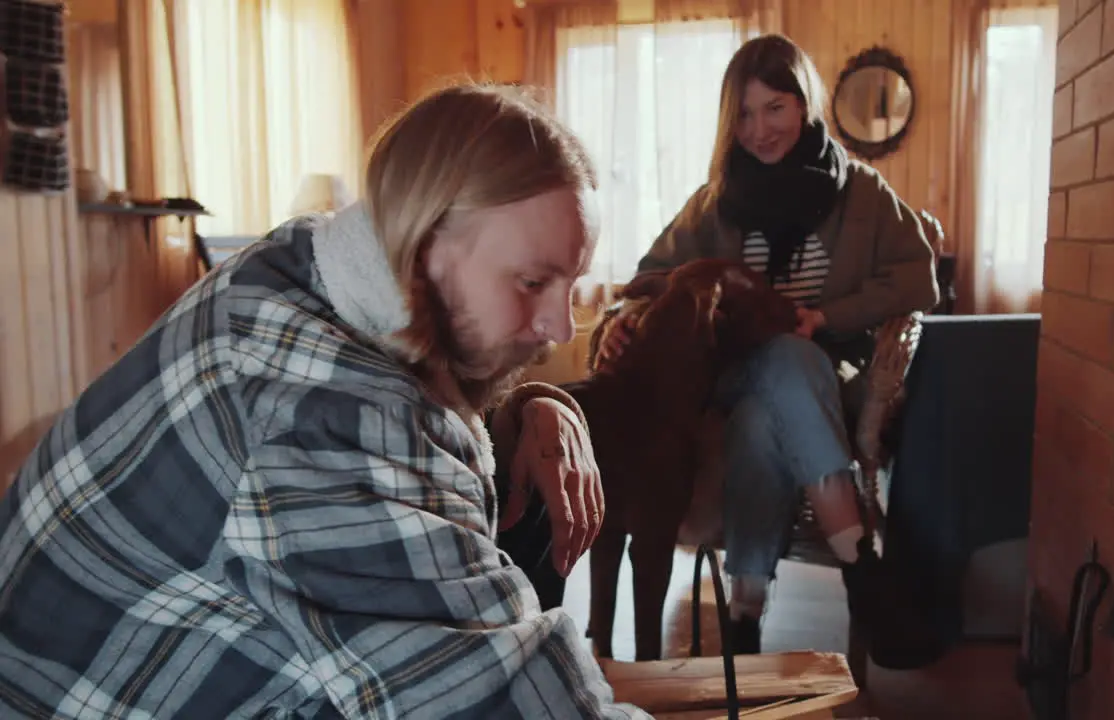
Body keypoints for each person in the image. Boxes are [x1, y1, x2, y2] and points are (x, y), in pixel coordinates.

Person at [0, 84, 648, 719]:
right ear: (424, 244)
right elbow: (499, 700)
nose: (562, 327)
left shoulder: (304, 261)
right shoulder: (330, 419)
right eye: (534, 282)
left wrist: (529, 407)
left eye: (570, 282)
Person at [597, 34, 939, 664]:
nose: (759, 130)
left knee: (768, 406)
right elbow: (650, 278)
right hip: (726, 371)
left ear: (804, 104)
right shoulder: (716, 198)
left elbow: (919, 279)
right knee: (779, 363)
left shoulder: (860, 191)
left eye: (774, 108)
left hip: (823, 370)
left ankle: (744, 612)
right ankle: (862, 571)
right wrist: (624, 318)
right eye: (745, 114)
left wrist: (828, 314)